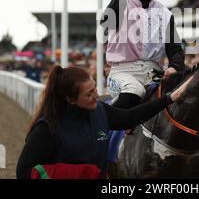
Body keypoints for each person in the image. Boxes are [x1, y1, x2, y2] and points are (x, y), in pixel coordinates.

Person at [16, 66, 184, 179]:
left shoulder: (100, 111)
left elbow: (130, 117)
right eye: (89, 94)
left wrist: (169, 99)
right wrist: (82, 173)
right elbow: (24, 172)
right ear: (70, 99)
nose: (96, 96)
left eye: (95, 88)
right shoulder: (47, 128)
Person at [100, 0, 185, 109]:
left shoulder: (165, 12)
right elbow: (106, 22)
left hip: (155, 75)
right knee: (135, 91)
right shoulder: (121, 4)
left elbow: (175, 49)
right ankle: (106, 122)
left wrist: (174, 67)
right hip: (122, 75)